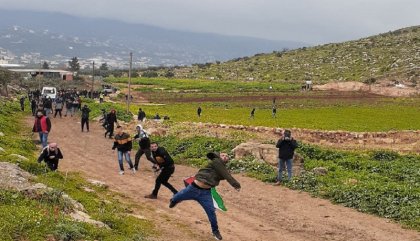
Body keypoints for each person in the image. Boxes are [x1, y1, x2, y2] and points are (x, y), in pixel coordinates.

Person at [169, 152, 241, 240]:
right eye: (223, 155)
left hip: (205, 193)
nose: (225, 156)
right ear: (218, 156)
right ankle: (173, 201)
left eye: (227, 156)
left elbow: (224, 174)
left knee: (211, 212)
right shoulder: (216, 161)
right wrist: (236, 184)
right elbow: (227, 175)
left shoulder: (222, 168)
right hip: (193, 189)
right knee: (177, 197)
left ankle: (215, 231)